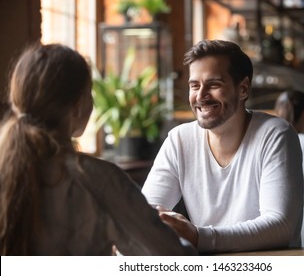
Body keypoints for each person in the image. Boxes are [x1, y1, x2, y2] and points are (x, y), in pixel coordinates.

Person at [0, 43, 195, 256]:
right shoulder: (98, 179)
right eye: (90, 92)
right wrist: (176, 233)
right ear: (78, 106)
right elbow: (172, 258)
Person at [142, 39, 304, 253]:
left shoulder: (275, 135)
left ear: (243, 88)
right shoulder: (179, 140)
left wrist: (198, 236)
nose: (200, 96)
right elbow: (143, 215)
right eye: (194, 85)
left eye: (214, 85)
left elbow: (280, 226)